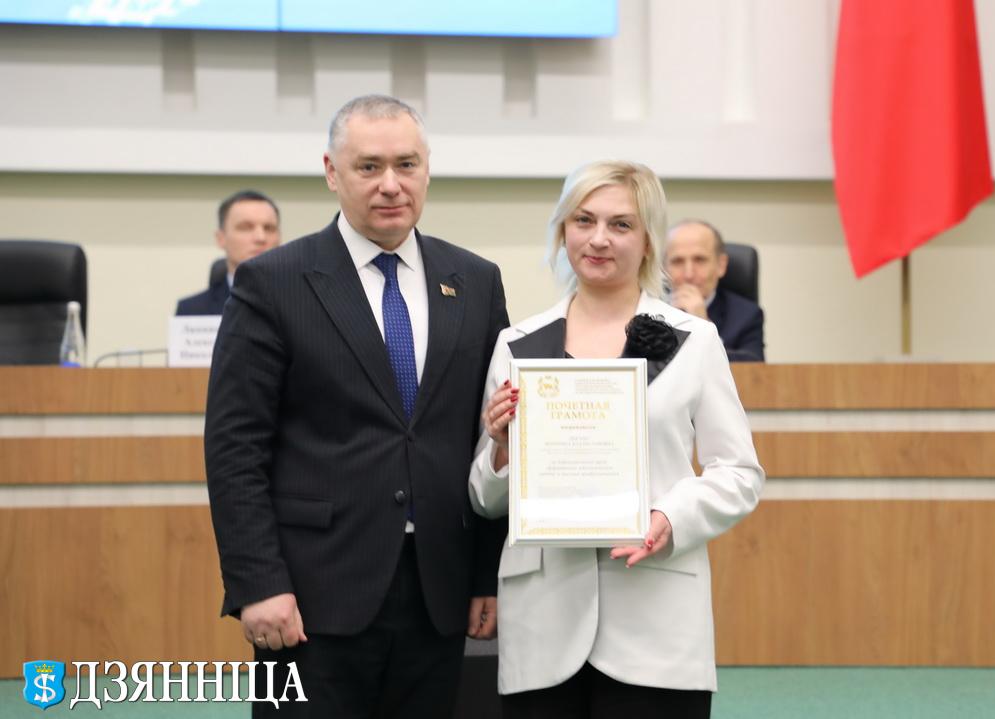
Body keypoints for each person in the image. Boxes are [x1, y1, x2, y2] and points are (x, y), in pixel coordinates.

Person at [204, 95, 509, 718]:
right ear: (331, 171)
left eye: (407, 164)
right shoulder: (273, 281)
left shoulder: (476, 281)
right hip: (311, 597)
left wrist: (487, 575)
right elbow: (235, 449)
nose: (391, 184)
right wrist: (258, 583)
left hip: (439, 592)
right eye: (369, 166)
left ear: (427, 168)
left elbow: (493, 439)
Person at [469, 161, 763, 718]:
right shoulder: (517, 344)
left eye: (621, 224)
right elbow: (484, 498)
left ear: (648, 239)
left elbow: (739, 473)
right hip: (544, 621)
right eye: (584, 220)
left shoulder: (696, 341)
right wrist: (503, 448)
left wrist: (671, 517)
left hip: (655, 618)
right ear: (563, 231)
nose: (599, 238)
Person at [663, 219, 765, 361]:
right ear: (664, 267)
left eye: (700, 260)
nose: (688, 274)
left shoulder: (746, 315)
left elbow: (754, 369)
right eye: (677, 261)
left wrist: (704, 327)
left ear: (721, 265)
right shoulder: (646, 309)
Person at [175, 189, 281, 315]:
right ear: (221, 238)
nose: (260, 238)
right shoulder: (191, 311)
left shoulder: (300, 302)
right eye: (246, 227)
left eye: (269, 228)